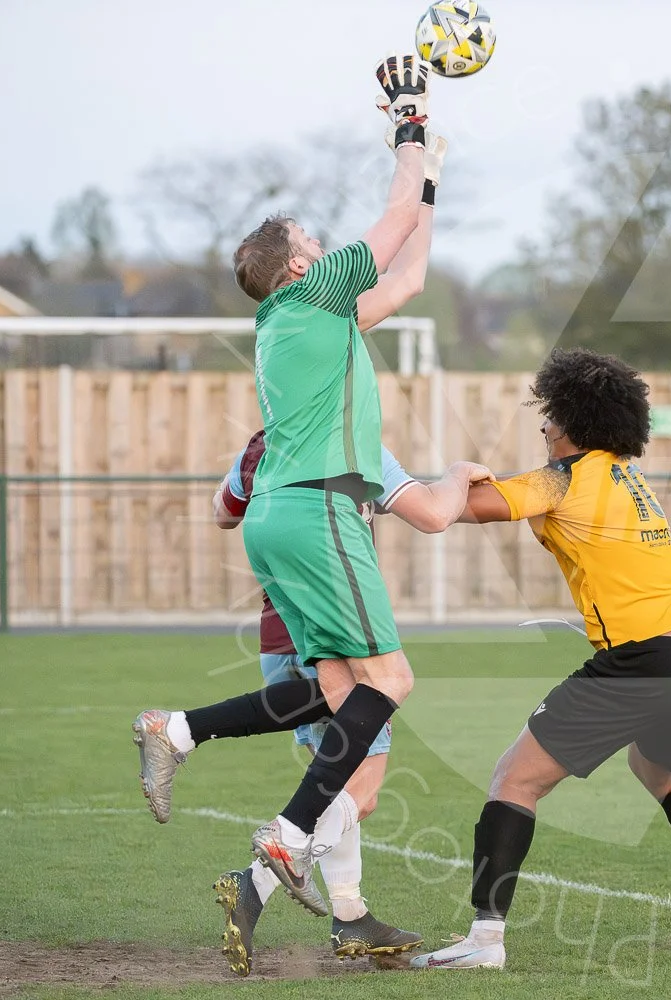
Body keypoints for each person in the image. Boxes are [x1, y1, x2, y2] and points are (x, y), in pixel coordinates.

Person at [132, 53, 486, 920]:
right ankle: (287, 839)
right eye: (312, 243)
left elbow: (405, 278)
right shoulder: (312, 295)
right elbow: (392, 222)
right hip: (322, 507)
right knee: (392, 680)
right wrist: (410, 118)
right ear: (296, 267)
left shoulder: (299, 318)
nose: (325, 249)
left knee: (339, 691)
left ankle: (181, 736)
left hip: (284, 518)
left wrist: (431, 177)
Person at [407, 348, 671, 971]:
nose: (544, 428)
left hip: (643, 661)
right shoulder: (626, 476)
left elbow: (445, 511)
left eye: (550, 418)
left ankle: (484, 939)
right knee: (660, 772)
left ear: (576, 422)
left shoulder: (562, 478)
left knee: (513, 781)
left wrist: (448, 473)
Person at [196, 429, 454, 975]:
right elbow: (432, 512)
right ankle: (253, 886)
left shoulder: (259, 445)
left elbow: (222, 513)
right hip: (336, 632)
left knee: (335, 777)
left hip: (278, 633)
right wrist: (460, 475)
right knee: (360, 792)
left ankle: (350, 914)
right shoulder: (353, 440)